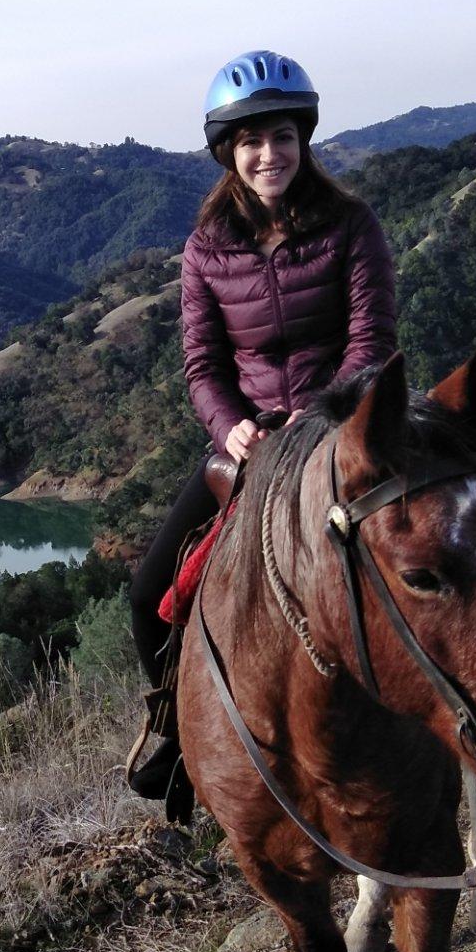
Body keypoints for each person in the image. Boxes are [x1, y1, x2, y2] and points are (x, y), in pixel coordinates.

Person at [125, 51, 398, 811]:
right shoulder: (207, 247)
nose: (268, 154)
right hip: (247, 447)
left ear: (302, 139)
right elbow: (202, 365)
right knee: (148, 595)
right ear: (228, 152)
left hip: (339, 430)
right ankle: (181, 741)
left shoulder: (350, 224)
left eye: (281, 137)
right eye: (251, 142)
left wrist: (324, 414)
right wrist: (232, 428)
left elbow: (372, 341)